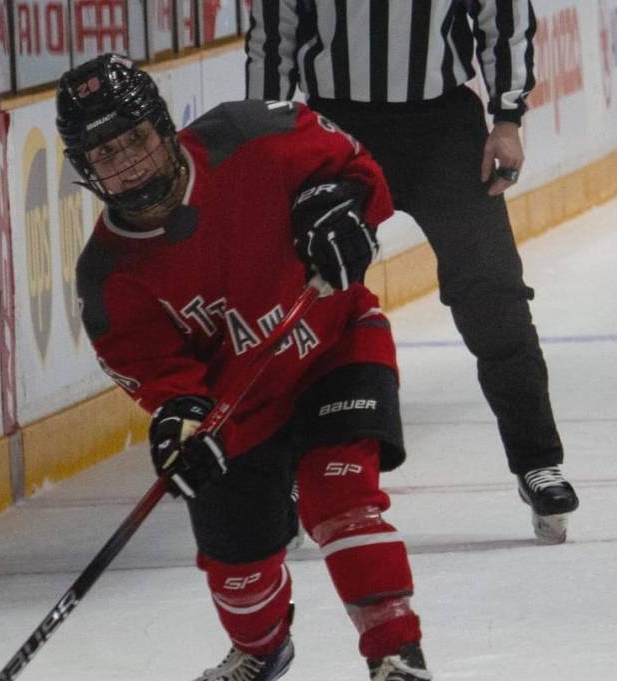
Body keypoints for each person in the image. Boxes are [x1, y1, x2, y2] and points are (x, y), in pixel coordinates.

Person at [55, 53, 446, 681]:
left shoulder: (248, 133)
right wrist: (181, 428)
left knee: (340, 494)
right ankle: (260, 650)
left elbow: (358, 171)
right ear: (85, 169)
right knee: (238, 563)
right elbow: (166, 385)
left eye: (134, 137)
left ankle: (401, 666)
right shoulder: (109, 277)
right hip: (241, 412)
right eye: (105, 153)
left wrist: (341, 209)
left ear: (164, 127)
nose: (129, 163)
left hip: (333, 343)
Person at [246, 0, 579, 544]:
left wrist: (508, 116)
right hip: (335, 129)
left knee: (492, 295)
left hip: (442, 128)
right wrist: (267, 142)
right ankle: (287, 474)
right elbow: (273, 33)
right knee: (307, 300)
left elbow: (503, 13)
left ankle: (538, 462)